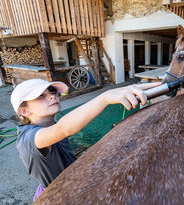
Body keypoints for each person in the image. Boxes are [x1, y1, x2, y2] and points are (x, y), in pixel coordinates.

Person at [10, 79, 160, 201]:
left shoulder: (50, 126)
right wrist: (105, 97)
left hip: (71, 182)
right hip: (58, 198)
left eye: (52, 91)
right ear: (24, 111)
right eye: (41, 96)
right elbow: (63, 128)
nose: (52, 96)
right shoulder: (27, 138)